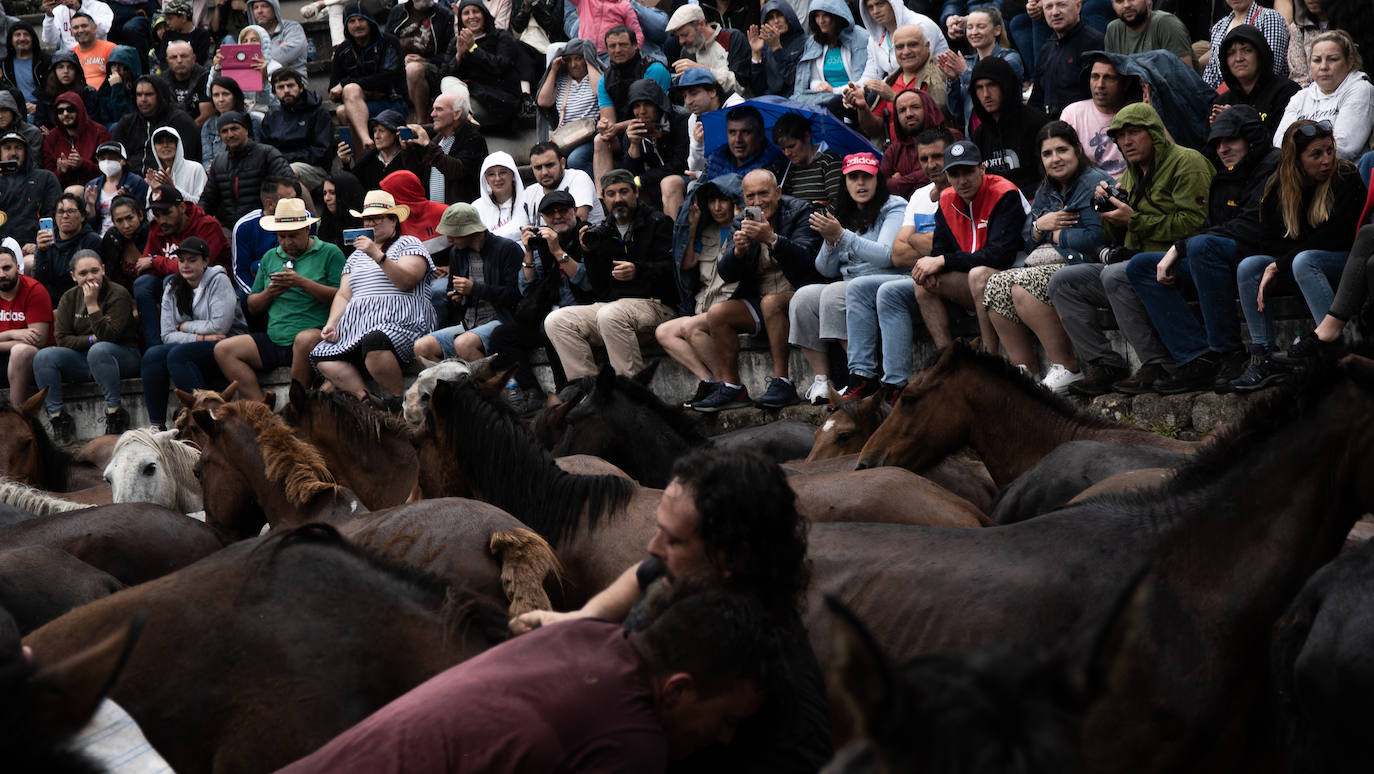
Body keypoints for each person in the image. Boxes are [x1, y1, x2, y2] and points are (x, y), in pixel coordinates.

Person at [510, 447, 832, 774]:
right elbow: (640, 574)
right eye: (660, 530)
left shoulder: (782, 696)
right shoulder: (685, 574)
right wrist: (581, 619)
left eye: (674, 540)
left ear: (733, 557)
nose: (654, 548)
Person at [279, 587, 777, 774]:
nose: (727, 738)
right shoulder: (631, 747)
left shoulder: (584, 637)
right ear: (678, 690)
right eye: (728, 719)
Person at [1048, 102, 1213, 395]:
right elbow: (1118, 237)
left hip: (1180, 264)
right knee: (1063, 282)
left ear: (1154, 133)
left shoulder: (1187, 162)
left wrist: (1134, 220)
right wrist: (1107, 211)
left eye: (1134, 132)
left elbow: (1194, 225)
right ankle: (1104, 364)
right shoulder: (1130, 175)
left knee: (1117, 274)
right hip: (1137, 264)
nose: (1126, 142)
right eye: (1120, 137)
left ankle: (1156, 364)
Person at [1124, 105, 1279, 396]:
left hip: (1262, 257)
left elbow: (1252, 227)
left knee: (1201, 246)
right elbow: (1212, 226)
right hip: (1219, 259)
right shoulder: (1225, 175)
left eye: (1230, 140)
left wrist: (1180, 247)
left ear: (1250, 138)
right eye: (1217, 143)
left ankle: (1229, 352)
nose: (1222, 149)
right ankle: (1198, 358)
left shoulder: (1273, 165)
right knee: (1140, 266)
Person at [981, 122, 1112, 393]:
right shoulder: (1046, 189)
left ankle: (1066, 366)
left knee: (1023, 286)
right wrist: (1042, 225)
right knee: (994, 284)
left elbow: (1095, 237)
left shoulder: (1093, 183)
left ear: (1077, 149)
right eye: (1048, 153)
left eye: (1062, 150)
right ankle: (1024, 370)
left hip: (1085, 266)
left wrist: (1053, 236)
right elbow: (1029, 239)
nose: (1056, 159)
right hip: (1052, 262)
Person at [1232, 120, 1363, 389]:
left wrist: (1280, 263)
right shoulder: (1278, 188)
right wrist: (1278, 264)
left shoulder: (1345, 176)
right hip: (1298, 265)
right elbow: (1268, 242)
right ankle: (1263, 355)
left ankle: (1332, 349)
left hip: (1343, 264)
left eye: (1329, 150)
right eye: (1316, 154)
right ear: (1296, 159)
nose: (1326, 160)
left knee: (1305, 260)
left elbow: (1338, 235)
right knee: (1250, 266)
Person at [692, 168, 823, 411]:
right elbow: (726, 273)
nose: (757, 202)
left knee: (771, 303)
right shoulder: (742, 220)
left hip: (800, 293)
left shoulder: (801, 211)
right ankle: (732, 387)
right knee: (717, 314)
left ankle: (783, 382)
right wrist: (738, 253)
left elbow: (808, 261)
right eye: (750, 197)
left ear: (778, 192)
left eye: (763, 194)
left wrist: (772, 239)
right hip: (762, 297)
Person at [789, 151, 906, 405]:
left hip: (884, 280)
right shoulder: (843, 213)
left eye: (867, 177)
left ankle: (862, 377)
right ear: (845, 182)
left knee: (835, 292)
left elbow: (887, 256)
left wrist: (842, 236)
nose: (860, 183)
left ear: (878, 180)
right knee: (803, 298)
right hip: (850, 283)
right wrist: (831, 241)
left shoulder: (894, 206)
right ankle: (823, 380)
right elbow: (825, 269)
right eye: (853, 177)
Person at [844, 127, 953, 398]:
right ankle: (862, 376)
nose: (931, 164)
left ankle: (895, 384)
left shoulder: (963, 188)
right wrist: (928, 242)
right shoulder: (918, 196)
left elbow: (956, 245)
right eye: (925, 159)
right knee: (858, 287)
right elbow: (897, 253)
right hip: (919, 273)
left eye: (938, 156)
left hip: (952, 274)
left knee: (888, 291)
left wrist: (920, 241)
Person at [544, 169, 676, 379]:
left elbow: (673, 270)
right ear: (603, 199)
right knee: (557, 320)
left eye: (624, 192)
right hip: (613, 308)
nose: (618, 199)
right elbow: (598, 287)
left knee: (610, 314)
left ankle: (631, 395)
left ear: (635, 193)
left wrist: (638, 271)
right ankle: (591, 393)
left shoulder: (659, 222)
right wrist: (588, 254)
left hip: (656, 305)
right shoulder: (602, 231)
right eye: (611, 194)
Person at [310, 190, 434, 403]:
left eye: (377, 218)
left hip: (399, 321)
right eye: (367, 218)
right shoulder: (356, 255)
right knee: (323, 356)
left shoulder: (409, 243)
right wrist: (332, 323)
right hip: (357, 326)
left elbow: (406, 281)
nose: (370, 223)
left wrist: (377, 255)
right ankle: (367, 398)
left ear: (393, 220)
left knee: (374, 341)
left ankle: (397, 401)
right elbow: (343, 295)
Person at [215, 197, 344, 401]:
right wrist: (270, 292)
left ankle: (296, 407)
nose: (286, 242)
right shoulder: (269, 257)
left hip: (315, 336)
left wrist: (301, 283)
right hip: (276, 337)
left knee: (304, 340)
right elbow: (252, 305)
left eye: (292, 236)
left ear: (306, 230)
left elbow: (342, 296)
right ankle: (262, 412)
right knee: (224, 350)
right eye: (281, 237)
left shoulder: (329, 252)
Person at [911, 139, 1028, 352]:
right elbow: (940, 250)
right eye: (955, 174)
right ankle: (948, 358)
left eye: (968, 172)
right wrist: (936, 261)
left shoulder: (1004, 193)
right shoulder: (946, 200)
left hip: (1015, 279)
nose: (962, 181)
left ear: (982, 168)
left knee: (978, 275)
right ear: (947, 176)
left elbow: (1000, 256)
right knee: (922, 281)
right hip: (974, 279)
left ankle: (988, 355)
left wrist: (943, 260)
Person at [489, 190, 591, 411]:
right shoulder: (541, 242)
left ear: (574, 211)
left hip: (583, 311)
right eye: (550, 213)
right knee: (501, 336)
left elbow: (587, 281)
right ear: (543, 218)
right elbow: (526, 287)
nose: (557, 217)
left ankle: (565, 390)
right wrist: (527, 251)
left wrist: (557, 251)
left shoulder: (586, 235)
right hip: (547, 313)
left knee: (552, 325)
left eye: (563, 210)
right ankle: (532, 391)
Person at [140, 235, 248, 430]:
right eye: (181, 260)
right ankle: (156, 425)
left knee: (178, 355)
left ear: (205, 261)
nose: (185, 266)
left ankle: (208, 415)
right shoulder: (173, 286)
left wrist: (184, 326)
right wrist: (199, 337)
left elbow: (219, 327)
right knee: (152, 355)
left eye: (192, 260)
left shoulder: (219, 280)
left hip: (227, 343)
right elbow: (166, 335)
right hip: (200, 342)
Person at [32, 250, 139, 442]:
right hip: (84, 358)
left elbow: (109, 337)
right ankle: (57, 418)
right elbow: (62, 339)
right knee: (44, 356)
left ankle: (115, 413)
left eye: (94, 271)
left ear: (103, 270)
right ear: (73, 276)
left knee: (99, 350)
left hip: (122, 356)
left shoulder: (118, 294)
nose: (90, 277)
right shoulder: (69, 298)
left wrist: (91, 305)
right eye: (83, 273)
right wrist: (91, 339)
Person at [659, 180, 740, 406]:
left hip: (727, 307)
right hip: (702, 307)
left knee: (689, 327)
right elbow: (687, 265)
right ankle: (711, 381)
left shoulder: (742, 229)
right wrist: (692, 229)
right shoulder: (707, 231)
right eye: (712, 201)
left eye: (723, 200)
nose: (717, 207)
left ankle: (728, 384)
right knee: (664, 332)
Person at [413, 203, 523, 363]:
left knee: (464, 344)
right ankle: (452, 387)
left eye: (454, 234)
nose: (448, 239)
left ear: (471, 231)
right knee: (422, 347)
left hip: (500, 320)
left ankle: (489, 387)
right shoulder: (456, 253)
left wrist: (475, 289)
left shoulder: (507, 249)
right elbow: (453, 292)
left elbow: (515, 296)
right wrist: (458, 296)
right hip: (468, 322)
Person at [140, 185, 230, 346]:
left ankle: (182, 332)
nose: (162, 220)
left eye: (167, 213)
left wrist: (157, 261)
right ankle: (153, 344)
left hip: (212, 290)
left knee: (172, 278)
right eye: (156, 214)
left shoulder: (207, 225)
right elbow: (142, 266)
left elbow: (198, 267)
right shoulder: (157, 227)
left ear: (182, 207)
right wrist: (159, 263)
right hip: (175, 289)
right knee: (143, 284)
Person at [1272, 30, 1373, 162]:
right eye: (1317, 60)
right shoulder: (1300, 97)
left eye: (1333, 59)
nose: (1323, 66)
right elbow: (1280, 142)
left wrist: (1300, 153)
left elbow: (1344, 147)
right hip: (1298, 175)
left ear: (1349, 62)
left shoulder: (1361, 89)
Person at [330, 2, 408, 158]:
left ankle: (366, 144)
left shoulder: (388, 42)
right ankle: (362, 162)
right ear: (346, 26)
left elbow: (387, 78)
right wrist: (365, 91)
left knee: (351, 89)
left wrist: (349, 84)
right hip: (361, 106)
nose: (357, 25)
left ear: (370, 21)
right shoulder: (342, 50)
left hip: (392, 103)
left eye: (361, 20)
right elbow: (332, 90)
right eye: (352, 21)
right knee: (342, 111)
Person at [200, 110, 296, 231]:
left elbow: (292, 186)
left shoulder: (267, 154)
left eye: (234, 128)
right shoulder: (219, 162)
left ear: (246, 130)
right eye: (224, 131)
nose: (230, 134)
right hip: (231, 229)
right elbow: (208, 200)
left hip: (265, 226)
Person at [969, 55, 1050, 195]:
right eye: (979, 88)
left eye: (991, 85)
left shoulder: (1037, 124)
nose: (986, 94)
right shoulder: (980, 135)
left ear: (1005, 85)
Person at [936, 5, 1023, 135]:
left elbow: (1002, 93)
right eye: (970, 27)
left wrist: (964, 72)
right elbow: (956, 110)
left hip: (1005, 134)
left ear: (997, 30)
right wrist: (952, 80)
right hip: (975, 138)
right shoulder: (967, 62)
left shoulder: (1010, 58)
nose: (974, 32)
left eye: (980, 26)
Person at [851, 23, 945, 143]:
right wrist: (862, 107)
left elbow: (938, 120)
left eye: (913, 45)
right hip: (898, 155)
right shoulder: (892, 80)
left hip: (928, 155)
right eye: (900, 47)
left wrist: (894, 98)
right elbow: (875, 130)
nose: (906, 51)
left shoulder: (938, 75)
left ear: (927, 46)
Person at [440, 0, 523, 132]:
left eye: (476, 11)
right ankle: (463, 119)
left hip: (496, 99)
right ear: (461, 19)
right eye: (466, 13)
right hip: (466, 96)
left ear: (484, 14)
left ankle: (463, 120)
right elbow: (445, 75)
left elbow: (499, 67)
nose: (471, 16)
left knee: (455, 113)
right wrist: (459, 55)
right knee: (447, 82)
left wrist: (473, 48)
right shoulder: (456, 41)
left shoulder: (501, 36)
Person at [399, 88, 488, 211]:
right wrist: (408, 151)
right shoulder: (437, 140)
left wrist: (427, 145)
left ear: (456, 114)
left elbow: (457, 171)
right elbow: (418, 178)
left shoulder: (473, 139)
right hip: (435, 216)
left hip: (460, 218)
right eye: (433, 109)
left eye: (439, 109)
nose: (432, 114)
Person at [1209, 25, 1300, 145]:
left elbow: (1280, 145)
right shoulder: (1222, 101)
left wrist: (1238, 120)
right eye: (1231, 53)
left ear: (1260, 54)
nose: (1238, 58)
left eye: (1247, 50)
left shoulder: (1287, 92)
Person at [260, 68, 335, 205]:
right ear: (275, 92)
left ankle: (311, 217)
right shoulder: (271, 116)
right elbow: (265, 149)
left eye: (290, 85)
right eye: (280, 87)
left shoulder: (319, 113)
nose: (286, 90)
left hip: (314, 168)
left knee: (289, 173)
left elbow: (321, 152)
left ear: (301, 88)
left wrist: (284, 159)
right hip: (279, 165)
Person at [1059, 53, 1137, 181]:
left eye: (1109, 78)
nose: (1100, 84)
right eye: (1095, 77)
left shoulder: (1136, 113)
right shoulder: (1072, 114)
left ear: (1126, 83)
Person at [616, 78, 689, 214]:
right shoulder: (633, 131)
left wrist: (643, 179)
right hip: (653, 183)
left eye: (647, 104)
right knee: (629, 191)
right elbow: (629, 174)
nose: (642, 111)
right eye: (636, 106)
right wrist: (634, 145)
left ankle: (671, 234)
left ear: (658, 104)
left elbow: (681, 163)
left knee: (667, 183)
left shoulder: (680, 120)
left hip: (682, 180)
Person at [595, 25, 671, 147]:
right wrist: (605, 127)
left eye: (623, 44)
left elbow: (655, 118)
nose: (618, 50)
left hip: (658, 128)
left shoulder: (654, 69)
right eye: (612, 46)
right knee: (600, 140)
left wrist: (617, 127)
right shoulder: (605, 80)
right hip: (623, 131)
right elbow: (608, 121)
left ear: (635, 45)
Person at [229, 176, 300, 305]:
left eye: (296, 198)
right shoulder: (245, 226)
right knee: (239, 299)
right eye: (289, 201)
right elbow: (240, 271)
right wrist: (257, 296)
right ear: (269, 204)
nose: (296, 205)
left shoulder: (305, 220)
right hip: (259, 288)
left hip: (297, 283)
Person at [535, 38, 600, 177]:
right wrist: (553, 69)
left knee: (575, 160)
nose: (574, 64)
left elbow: (599, 91)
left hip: (590, 134)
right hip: (567, 136)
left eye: (578, 59)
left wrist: (589, 60)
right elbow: (543, 101)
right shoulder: (563, 80)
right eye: (569, 60)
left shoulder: (595, 77)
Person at [1027, 0, 1104, 118]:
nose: (1055, 12)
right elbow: (1036, 100)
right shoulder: (1046, 50)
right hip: (1049, 129)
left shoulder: (1094, 44)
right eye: (1048, 7)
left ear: (1078, 6)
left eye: (1061, 5)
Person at [112, 76, 202, 176]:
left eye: (148, 94)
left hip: (169, 180)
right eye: (139, 95)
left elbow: (188, 158)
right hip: (131, 183)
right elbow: (115, 158)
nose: (143, 99)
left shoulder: (180, 121)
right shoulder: (127, 123)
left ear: (160, 95)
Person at [0, 244, 52, 409]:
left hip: (32, 359)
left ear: (18, 267)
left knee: (20, 351)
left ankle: (17, 413)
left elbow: (39, 339)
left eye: (6, 268)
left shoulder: (34, 290)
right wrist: (13, 333)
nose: (1, 274)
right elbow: (21, 337)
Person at [878, 87, 954, 198]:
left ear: (928, 108)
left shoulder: (949, 136)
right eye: (902, 110)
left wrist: (899, 181)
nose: (909, 114)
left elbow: (937, 174)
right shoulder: (894, 150)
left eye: (915, 107)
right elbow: (880, 186)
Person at [791, 0, 868, 107]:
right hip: (822, 99)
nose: (821, 21)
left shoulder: (860, 37)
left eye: (825, 15)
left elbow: (866, 78)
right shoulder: (813, 42)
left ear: (837, 15)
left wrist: (834, 90)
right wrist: (820, 86)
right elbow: (812, 78)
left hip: (852, 98)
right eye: (817, 16)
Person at [386, 0, 453, 122]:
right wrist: (400, 60)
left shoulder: (445, 15)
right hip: (399, 65)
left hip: (431, 67)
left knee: (413, 69)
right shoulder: (397, 11)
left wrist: (427, 59)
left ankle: (422, 121)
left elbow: (450, 53)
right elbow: (386, 45)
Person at [1202, 0, 1290, 90]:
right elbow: (1211, 74)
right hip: (1224, 97)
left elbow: (1271, 68)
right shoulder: (1219, 27)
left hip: (1263, 95)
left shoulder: (1269, 17)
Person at [663, 5, 745, 98]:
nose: (681, 42)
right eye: (679, 36)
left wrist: (703, 71)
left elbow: (740, 86)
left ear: (701, 24)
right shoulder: (688, 52)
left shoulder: (731, 38)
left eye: (685, 34)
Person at [32, 192, 101, 302]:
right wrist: (41, 251)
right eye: (60, 212)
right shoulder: (47, 239)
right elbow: (39, 280)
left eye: (71, 211)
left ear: (82, 216)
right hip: (51, 300)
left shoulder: (91, 240)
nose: (65, 216)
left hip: (80, 301)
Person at [519, 140, 604, 225]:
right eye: (538, 167)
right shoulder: (529, 193)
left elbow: (579, 220)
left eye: (549, 165)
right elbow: (519, 228)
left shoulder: (578, 178)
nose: (544, 172)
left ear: (562, 163)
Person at [0, 130, 60, 250]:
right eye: (7, 148)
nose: (13, 153)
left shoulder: (45, 178)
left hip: (33, 246)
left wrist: (39, 244)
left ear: (26, 152)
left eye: (18, 148)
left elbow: (52, 216)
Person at [337, 109, 420, 193]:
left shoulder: (409, 156)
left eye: (381, 131)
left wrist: (407, 151)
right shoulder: (368, 159)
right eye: (375, 131)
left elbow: (416, 182)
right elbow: (352, 188)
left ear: (396, 134)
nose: (376, 136)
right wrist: (346, 163)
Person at [771, 112, 841, 207]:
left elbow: (837, 205)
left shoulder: (829, 161)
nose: (787, 153)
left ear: (807, 136)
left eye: (791, 146)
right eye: (783, 149)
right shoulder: (790, 169)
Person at [40, 90, 108, 188]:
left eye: (70, 109)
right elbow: (47, 177)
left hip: (95, 187)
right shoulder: (51, 138)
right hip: (62, 191)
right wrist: (60, 172)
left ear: (79, 110)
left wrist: (83, 164)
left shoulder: (99, 132)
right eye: (60, 111)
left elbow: (108, 169)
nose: (65, 114)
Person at [703, 104, 784, 182]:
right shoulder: (716, 158)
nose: (738, 139)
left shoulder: (773, 162)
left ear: (761, 134)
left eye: (745, 132)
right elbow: (696, 191)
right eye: (732, 132)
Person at [82, 142, 147, 237]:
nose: (107, 162)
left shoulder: (136, 182)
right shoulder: (92, 185)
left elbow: (142, 216)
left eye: (112, 158)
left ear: (123, 161)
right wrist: (90, 205)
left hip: (127, 236)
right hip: (99, 236)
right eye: (102, 159)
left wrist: (127, 201)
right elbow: (89, 223)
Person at [1103, 0, 1193, 67]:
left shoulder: (1167, 24)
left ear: (1148, 0)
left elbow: (1185, 79)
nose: (1126, 5)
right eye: (1119, 1)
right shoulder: (1113, 29)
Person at [201, 76, 262, 173]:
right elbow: (206, 158)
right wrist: (209, 167)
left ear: (235, 96)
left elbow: (259, 153)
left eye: (225, 94)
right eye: (216, 95)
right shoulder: (208, 125)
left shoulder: (252, 120)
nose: (220, 99)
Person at [745, 1, 804, 99]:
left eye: (780, 15)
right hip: (769, 102)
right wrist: (756, 54)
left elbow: (796, 80)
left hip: (795, 100)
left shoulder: (805, 43)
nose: (776, 21)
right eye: (771, 18)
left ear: (788, 16)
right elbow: (758, 89)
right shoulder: (766, 46)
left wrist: (777, 48)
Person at [33, 49, 97, 132]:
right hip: (52, 139)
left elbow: (92, 123)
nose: (66, 71)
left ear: (76, 71)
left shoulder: (88, 93)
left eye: (70, 67)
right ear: (54, 70)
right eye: (61, 67)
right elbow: (40, 123)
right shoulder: (45, 94)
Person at [97, 193, 148, 292]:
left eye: (130, 218)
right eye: (119, 221)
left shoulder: (152, 234)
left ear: (140, 215)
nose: (126, 225)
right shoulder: (111, 238)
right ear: (113, 222)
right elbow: (109, 275)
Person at [144, 126, 206, 205]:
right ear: (154, 148)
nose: (165, 145)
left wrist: (173, 188)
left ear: (177, 145)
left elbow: (201, 205)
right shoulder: (157, 178)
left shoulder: (195, 169)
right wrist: (156, 191)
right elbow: (151, 214)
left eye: (170, 141)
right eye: (160, 142)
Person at [471, 151, 525, 241]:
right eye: (491, 174)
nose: (497, 178)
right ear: (486, 179)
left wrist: (486, 238)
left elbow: (521, 226)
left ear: (513, 175)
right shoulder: (476, 207)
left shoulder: (525, 199)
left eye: (503, 172)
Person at [158, 40, 213, 127]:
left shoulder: (205, 77)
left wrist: (185, 132)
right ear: (167, 61)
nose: (179, 60)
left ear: (193, 58)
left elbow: (206, 116)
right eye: (173, 57)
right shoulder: (161, 81)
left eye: (184, 56)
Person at [247, 0, 306, 76]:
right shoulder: (251, 34)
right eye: (255, 7)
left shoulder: (292, 28)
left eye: (264, 6)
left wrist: (258, 57)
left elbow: (286, 54)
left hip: (291, 82)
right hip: (262, 83)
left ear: (274, 8)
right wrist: (277, 48)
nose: (259, 11)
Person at [2, 21, 49, 113]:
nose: (22, 38)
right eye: (17, 35)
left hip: (42, 110)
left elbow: (52, 91)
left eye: (26, 34)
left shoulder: (45, 61)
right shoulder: (3, 65)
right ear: (11, 40)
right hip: (13, 112)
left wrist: (39, 107)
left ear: (33, 38)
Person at [315, 170, 365, 254]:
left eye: (332, 193)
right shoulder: (325, 225)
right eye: (324, 193)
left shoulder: (365, 224)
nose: (327, 198)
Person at [64, 11, 115, 91]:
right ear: (71, 32)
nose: (80, 30)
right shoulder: (70, 55)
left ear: (95, 28)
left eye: (84, 26)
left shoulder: (110, 48)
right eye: (76, 28)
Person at [154, 0, 211, 69]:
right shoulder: (167, 35)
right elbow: (163, 61)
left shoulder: (201, 35)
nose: (167, 23)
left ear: (183, 18)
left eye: (170, 19)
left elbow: (200, 61)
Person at [92, 44, 138, 129]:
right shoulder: (105, 90)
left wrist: (117, 88)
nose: (116, 70)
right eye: (113, 65)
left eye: (120, 65)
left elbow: (125, 118)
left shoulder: (139, 89)